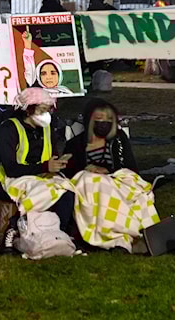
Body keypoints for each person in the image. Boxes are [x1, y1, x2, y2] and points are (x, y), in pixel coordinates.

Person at [62, 98, 158, 252]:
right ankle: (117, 239)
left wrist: (107, 171)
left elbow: (131, 168)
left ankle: (129, 236)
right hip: (89, 186)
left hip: (116, 183)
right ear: (90, 121)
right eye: (99, 119)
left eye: (109, 120)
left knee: (123, 190)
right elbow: (68, 173)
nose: (104, 123)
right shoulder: (75, 145)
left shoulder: (118, 139)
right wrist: (88, 170)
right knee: (90, 181)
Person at [0, 88, 73, 253]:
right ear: (28, 110)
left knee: (68, 189)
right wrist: (44, 167)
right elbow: (11, 168)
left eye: (48, 110)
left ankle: (58, 233)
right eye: (42, 110)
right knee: (43, 190)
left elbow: (51, 154)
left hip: (41, 176)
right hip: (12, 178)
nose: (46, 115)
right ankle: (13, 227)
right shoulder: (8, 129)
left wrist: (57, 163)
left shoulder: (47, 129)